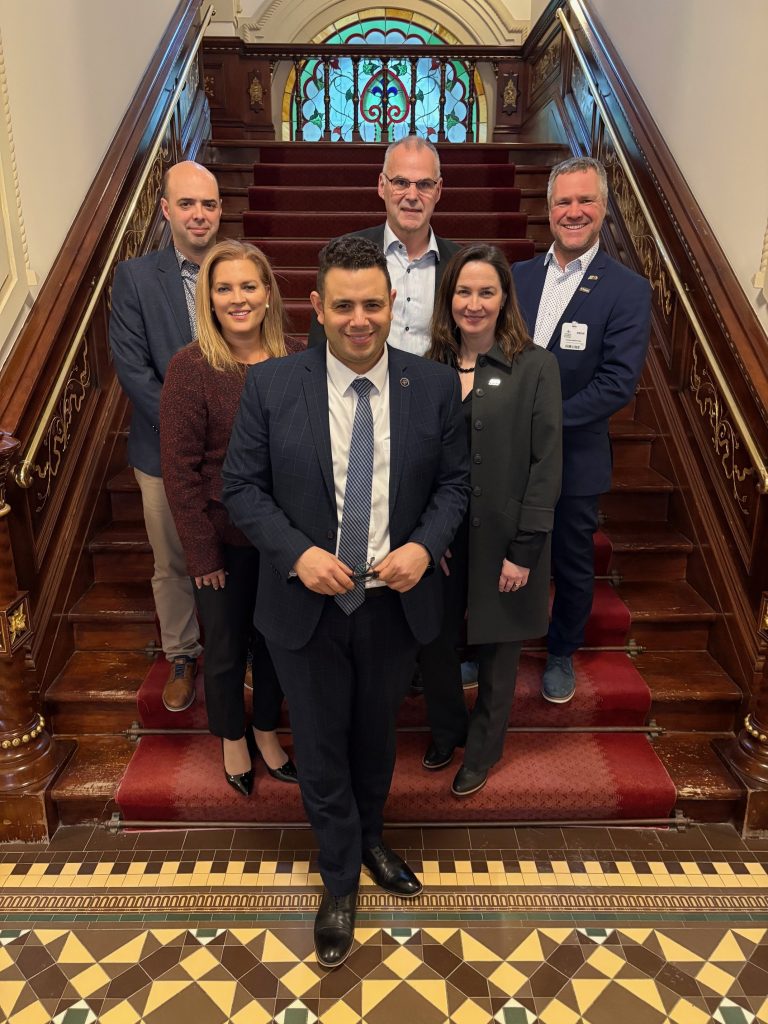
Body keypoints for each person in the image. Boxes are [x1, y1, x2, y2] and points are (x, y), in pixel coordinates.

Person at [222, 235, 469, 968]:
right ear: (316, 309)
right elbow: (241, 488)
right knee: (322, 745)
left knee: (375, 736)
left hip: (396, 602)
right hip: (306, 606)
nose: (359, 319)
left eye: (372, 304)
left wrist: (424, 547)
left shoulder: (429, 387)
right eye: (343, 306)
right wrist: (296, 553)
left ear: (392, 306)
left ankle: (370, 840)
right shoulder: (270, 388)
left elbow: (456, 485)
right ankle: (338, 878)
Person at [419, 245, 562, 795]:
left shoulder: (535, 365)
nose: (473, 303)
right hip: (440, 538)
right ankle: (446, 729)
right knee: (432, 641)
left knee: (500, 653)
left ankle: (482, 750)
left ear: (505, 299)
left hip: (507, 538)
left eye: (486, 292)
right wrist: (426, 536)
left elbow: (546, 463)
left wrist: (525, 549)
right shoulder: (427, 366)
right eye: (463, 291)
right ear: (447, 298)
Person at [159, 241, 301, 796]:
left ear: (268, 293)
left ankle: (266, 729)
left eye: (249, 286)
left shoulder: (298, 356)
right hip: (221, 540)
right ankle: (232, 738)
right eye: (224, 288)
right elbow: (180, 471)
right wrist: (200, 553)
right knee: (223, 646)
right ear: (208, 299)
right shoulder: (191, 367)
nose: (238, 298)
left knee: (275, 642)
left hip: (285, 539)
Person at [512, 156, 651, 703]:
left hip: (575, 455)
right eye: (562, 202)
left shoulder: (627, 289)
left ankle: (562, 650)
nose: (573, 212)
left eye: (584, 201)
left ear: (604, 208)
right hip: (509, 456)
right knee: (501, 548)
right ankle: (489, 646)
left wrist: (538, 422)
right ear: (548, 210)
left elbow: (617, 384)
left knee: (570, 559)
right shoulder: (516, 276)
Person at [110, 160, 222, 713]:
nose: (199, 214)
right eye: (187, 204)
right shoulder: (134, 278)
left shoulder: (239, 268)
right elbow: (132, 370)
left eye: (209, 204)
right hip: (160, 451)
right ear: (165, 209)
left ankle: (237, 645)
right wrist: (188, 430)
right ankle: (182, 652)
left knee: (235, 554)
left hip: (232, 450)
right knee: (173, 558)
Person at [307, 135, 460, 354]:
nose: (412, 195)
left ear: (438, 190)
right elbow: (321, 345)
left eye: (425, 184)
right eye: (400, 183)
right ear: (382, 185)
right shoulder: (343, 254)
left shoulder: (460, 262)